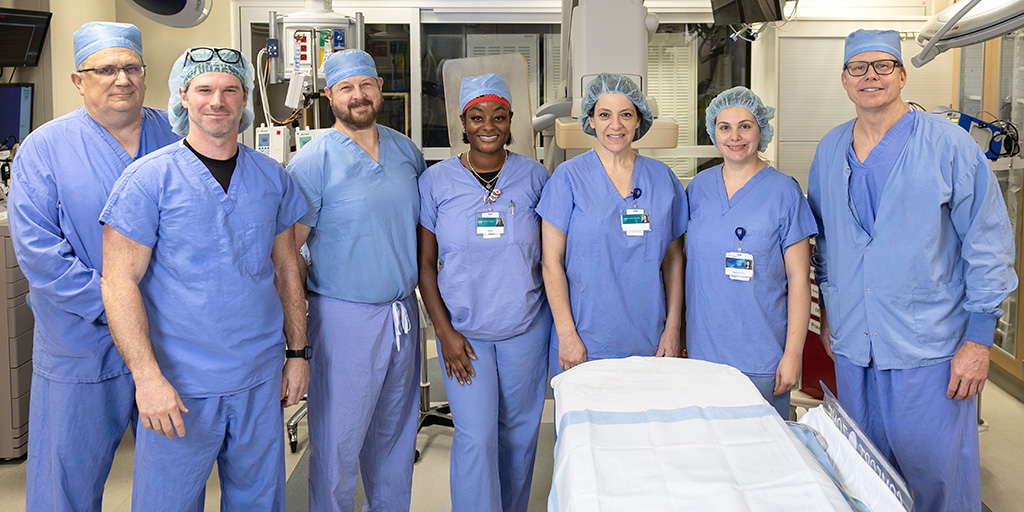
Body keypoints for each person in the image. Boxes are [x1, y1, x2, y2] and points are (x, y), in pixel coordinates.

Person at [807, 29, 1017, 512]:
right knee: (866, 476)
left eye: (883, 65)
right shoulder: (830, 149)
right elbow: (827, 245)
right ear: (844, 80)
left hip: (931, 348)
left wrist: (978, 341)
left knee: (937, 478)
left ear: (902, 76)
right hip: (856, 346)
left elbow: (987, 244)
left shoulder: (949, 145)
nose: (871, 76)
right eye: (858, 67)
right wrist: (832, 315)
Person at [98, 47, 309, 510]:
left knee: (260, 502)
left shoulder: (271, 177)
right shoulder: (148, 180)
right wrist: (147, 378)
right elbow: (117, 283)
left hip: (258, 378)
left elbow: (286, 268)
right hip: (180, 384)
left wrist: (297, 354)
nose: (218, 100)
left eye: (230, 90)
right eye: (205, 89)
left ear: (245, 98)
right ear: (183, 96)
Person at [7, 21, 179, 511]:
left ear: (144, 74)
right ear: (78, 81)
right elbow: (40, 254)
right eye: (105, 69)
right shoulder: (44, 148)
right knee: (67, 485)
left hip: (169, 337)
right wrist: (118, 309)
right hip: (82, 341)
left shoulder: (176, 134)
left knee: (172, 481)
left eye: (132, 67)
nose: (121, 79)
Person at [286, 49, 426, 511]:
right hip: (343, 320)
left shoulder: (406, 151)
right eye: (346, 87)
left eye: (366, 84)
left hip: (402, 315)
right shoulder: (313, 161)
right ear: (330, 95)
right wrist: (295, 340)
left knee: (396, 439)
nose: (358, 95)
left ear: (380, 88)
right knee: (338, 444)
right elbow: (288, 253)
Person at [417, 74, 551, 512]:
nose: (488, 126)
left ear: (511, 121)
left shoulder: (535, 177)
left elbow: (553, 258)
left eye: (498, 116)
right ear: (463, 122)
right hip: (465, 335)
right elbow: (425, 266)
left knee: (519, 436)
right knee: (475, 437)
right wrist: (444, 333)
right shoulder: (436, 181)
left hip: (525, 329)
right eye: (477, 117)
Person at [537, 73, 687, 375]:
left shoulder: (663, 179)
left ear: (639, 120)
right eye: (604, 115)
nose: (615, 125)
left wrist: (673, 329)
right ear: (590, 120)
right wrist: (567, 334)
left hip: (651, 340)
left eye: (626, 115)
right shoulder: (567, 178)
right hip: (585, 340)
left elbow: (673, 260)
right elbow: (551, 262)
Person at [685, 86, 816, 420]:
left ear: (761, 129)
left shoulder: (784, 192)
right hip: (704, 354)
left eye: (745, 126)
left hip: (762, 355)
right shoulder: (698, 189)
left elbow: (798, 280)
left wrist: (793, 355)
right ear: (713, 132)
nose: (735, 137)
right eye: (725, 127)